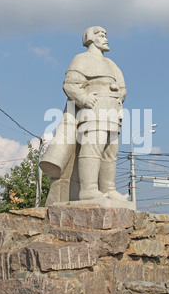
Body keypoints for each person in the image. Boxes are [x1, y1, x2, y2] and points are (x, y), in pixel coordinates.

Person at [40, 26, 128, 203]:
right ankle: (88, 190)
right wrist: (83, 98)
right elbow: (70, 84)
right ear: (90, 38)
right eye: (100, 35)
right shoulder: (81, 59)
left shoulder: (112, 64)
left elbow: (122, 89)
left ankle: (108, 188)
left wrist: (118, 98)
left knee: (111, 151)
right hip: (92, 110)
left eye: (105, 35)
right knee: (92, 147)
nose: (105, 38)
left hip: (112, 110)